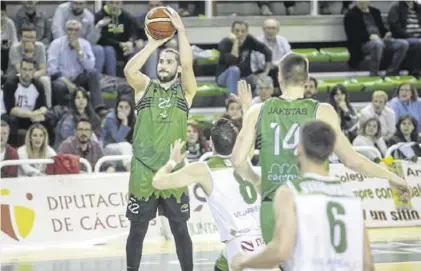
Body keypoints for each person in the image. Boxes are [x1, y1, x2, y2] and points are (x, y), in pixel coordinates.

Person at [231, 53, 411, 246]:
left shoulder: (257, 110)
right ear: (307, 79)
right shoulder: (323, 111)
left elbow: (238, 161)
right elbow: (353, 161)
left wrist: (257, 181)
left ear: (279, 77)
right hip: (310, 205)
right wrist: (394, 177)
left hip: (272, 207)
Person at [230, 121, 375, 271]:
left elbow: (280, 251)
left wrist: (244, 261)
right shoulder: (350, 196)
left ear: (299, 148)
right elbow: (368, 265)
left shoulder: (290, 192)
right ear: (331, 151)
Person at [123, 9, 196, 271]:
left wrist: (182, 30)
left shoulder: (186, 92)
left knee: (179, 228)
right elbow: (129, 70)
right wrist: (153, 43)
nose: (163, 65)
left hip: (173, 170)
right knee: (138, 229)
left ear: (177, 69)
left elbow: (188, 65)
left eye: (169, 62)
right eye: (161, 61)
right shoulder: (144, 87)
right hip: (143, 170)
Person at [152, 118, 265, 271]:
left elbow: (157, 182)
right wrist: (246, 109)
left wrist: (172, 161)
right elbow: (248, 139)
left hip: (240, 243)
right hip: (265, 235)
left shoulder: (202, 169)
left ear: (211, 142)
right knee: (221, 265)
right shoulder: (244, 160)